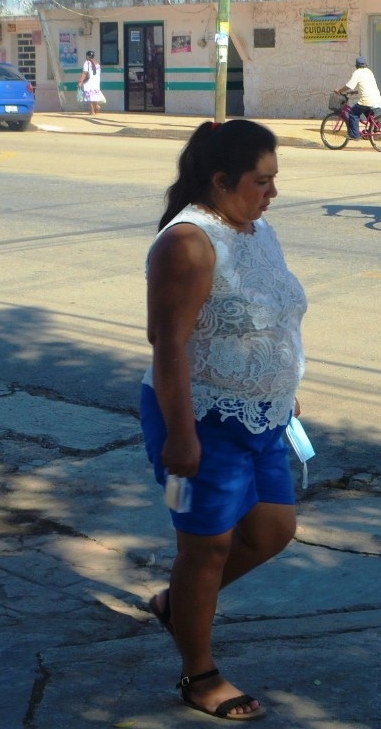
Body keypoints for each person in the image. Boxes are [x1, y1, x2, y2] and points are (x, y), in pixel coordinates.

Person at [139, 119, 307, 721]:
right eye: (261, 181)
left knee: (272, 531)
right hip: (202, 415)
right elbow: (169, 346)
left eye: (273, 181)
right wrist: (181, 436)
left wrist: (284, 386)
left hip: (262, 416)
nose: (271, 192)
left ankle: (175, 606)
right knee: (207, 547)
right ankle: (198, 672)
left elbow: (274, 319)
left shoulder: (258, 231)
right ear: (219, 180)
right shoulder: (188, 243)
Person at [335, 56, 381, 140]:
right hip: (377, 99)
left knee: (353, 113)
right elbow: (367, 87)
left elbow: (348, 86)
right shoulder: (369, 72)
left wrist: (339, 90)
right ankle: (376, 125)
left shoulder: (357, 73)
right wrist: (355, 92)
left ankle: (354, 135)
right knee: (368, 112)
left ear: (356, 65)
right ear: (365, 65)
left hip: (367, 100)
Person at [78, 50, 103, 116]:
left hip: (89, 82)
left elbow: (85, 73)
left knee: (90, 97)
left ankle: (92, 111)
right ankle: (97, 106)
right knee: (95, 95)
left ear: (87, 56)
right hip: (96, 82)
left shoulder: (87, 63)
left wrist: (81, 81)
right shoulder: (97, 64)